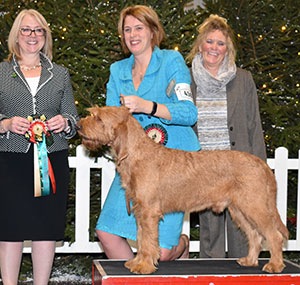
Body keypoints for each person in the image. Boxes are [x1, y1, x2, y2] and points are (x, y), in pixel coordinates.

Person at [96, 5, 200, 261]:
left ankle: (181, 245)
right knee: (106, 233)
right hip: (135, 166)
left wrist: (147, 107)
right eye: (127, 29)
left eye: (139, 28)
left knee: (162, 254)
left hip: (173, 165)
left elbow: (189, 113)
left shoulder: (171, 61)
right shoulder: (117, 71)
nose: (132, 34)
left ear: (153, 31)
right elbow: (110, 120)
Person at [0, 9, 78, 284]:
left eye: (38, 30)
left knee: (45, 228)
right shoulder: (0, 72)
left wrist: (64, 122)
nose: (32, 36)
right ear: (16, 36)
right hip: (10, 160)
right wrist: (6, 123)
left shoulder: (60, 74)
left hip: (51, 159)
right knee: (9, 229)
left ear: (45, 36)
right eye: (26, 30)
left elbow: (73, 119)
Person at [187, 14, 267, 258]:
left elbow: (254, 124)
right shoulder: (185, 78)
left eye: (220, 44)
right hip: (202, 166)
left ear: (227, 49)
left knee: (242, 225)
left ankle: (244, 275)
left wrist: (261, 168)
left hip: (238, 167)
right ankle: (211, 275)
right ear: (200, 45)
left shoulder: (243, 79)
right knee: (209, 232)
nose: (214, 48)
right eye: (210, 42)